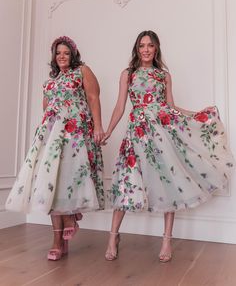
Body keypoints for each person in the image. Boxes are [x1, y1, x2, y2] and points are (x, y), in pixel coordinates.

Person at [102, 30, 234, 263]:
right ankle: (113, 237)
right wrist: (109, 130)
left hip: (162, 133)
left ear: (156, 48)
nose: (145, 49)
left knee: (167, 182)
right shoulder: (128, 74)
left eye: (150, 45)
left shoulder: (164, 76)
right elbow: (120, 107)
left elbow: (171, 107)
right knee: (126, 183)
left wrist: (198, 115)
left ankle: (166, 240)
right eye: (141, 45)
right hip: (136, 134)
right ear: (136, 48)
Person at [6, 36, 105, 260]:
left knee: (69, 179)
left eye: (66, 53)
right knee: (52, 181)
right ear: (54, 56)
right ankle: (57, 241)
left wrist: (98, 126)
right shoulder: (49, 83)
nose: (62, 56)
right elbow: (46, 112)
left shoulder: (82, 71)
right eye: (58, 53)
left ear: (73, 55)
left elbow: (93, 97)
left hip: (76, 134)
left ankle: (70, 218)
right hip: (52, 137)